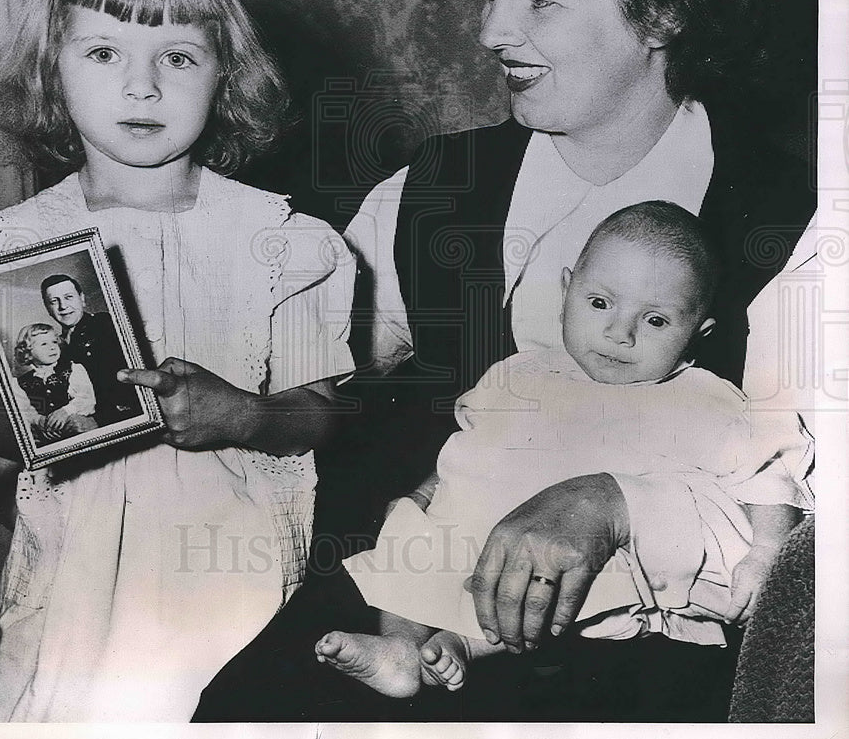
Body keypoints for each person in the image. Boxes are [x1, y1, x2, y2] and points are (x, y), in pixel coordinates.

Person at [195, 0, 815, 723]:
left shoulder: (788, 223)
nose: (490, 30)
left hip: (647, 654)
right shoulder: (434, 189)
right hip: (405, 615)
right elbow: (296, 373)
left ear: (661, 9)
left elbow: (802, 538)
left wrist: (616, 502)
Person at [0, 0, 355, 722]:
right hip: (77, 598)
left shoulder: (282, 242)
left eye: (177, 56)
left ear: (225, 72)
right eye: (104, 51)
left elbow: (320, 416)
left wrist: (245, 414)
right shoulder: (12, 246)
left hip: (234, 590)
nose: (141, 86)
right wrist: (36, 402)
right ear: (51, 67)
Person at [315, 202, 813, 697]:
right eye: (600, 304)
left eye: (656, 321)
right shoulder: (519, 373)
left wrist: (767, 551)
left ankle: (468, 646)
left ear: (697, 333)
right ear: (566, 291)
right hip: (468, 533)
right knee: (413, 537)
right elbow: (466, 447)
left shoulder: (702, 398)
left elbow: (766, 473)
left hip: (584, 565)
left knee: (591, 577)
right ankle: (399, 648)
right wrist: (426, 495)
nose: (620, 334)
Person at [39, 273, 140, 424]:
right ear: (48, 308)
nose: (63, 306)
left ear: (82, 299)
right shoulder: (55, 345)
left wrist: (98, 422)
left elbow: (128, 385)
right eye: (54, 301)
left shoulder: (105, 324)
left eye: (68, 297)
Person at [13, 321, 97, 444]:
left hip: (76, 431)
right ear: (28, 353)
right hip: (46, 440)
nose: (52, 347)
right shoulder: (20, 383)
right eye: (44, 344)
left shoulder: (73, 369)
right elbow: (24, 411)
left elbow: (87, 399)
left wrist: (66, 411)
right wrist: (39, 422)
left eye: (54, 342)